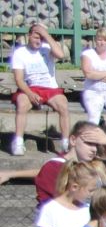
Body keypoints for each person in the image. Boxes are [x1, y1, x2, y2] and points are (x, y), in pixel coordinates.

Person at [11, 22, 70, 155]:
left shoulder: (47, 48)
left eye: (41, 38)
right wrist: (30, 94)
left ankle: (65, 143)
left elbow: (61, 55)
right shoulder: (20, 53)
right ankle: (18, 142)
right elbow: (19, 80)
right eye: (36, 37)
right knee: (22, 104)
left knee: (63, 105)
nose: (39, 41)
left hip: (50, 88)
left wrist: (46, 35)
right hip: (30, 87)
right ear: (29, 36)